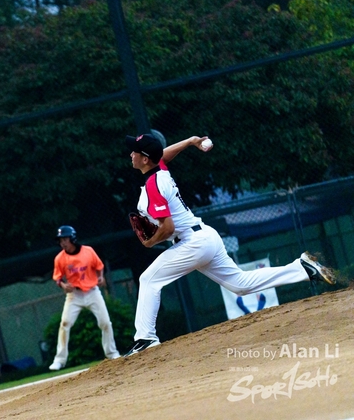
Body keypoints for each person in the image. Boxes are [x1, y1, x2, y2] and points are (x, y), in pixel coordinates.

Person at [123, 132, 336, 356]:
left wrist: (151, 241)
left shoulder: (153, 187)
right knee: (240, 285)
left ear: (145, 159)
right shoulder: (160, 172)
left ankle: (145, 338)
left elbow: (168, 228)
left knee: (148, 279)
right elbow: (162, 156)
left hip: (192, 243)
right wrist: (189, 141)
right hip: (205, 237)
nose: (130, 154)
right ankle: (302, 268)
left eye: (134, 152)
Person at [48, 225, 121, 370]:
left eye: (65, 239)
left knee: (105, 322)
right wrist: (63, 285)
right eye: (60, 240)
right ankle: (59, 360)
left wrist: (101, 277)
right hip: (74, 295)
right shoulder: (60, 258)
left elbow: (99, 266)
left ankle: (112, 353)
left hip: (92, 292)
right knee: (65, 323)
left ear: (73, 238)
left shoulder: (88, 251)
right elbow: (57, 278)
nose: (63, 242)